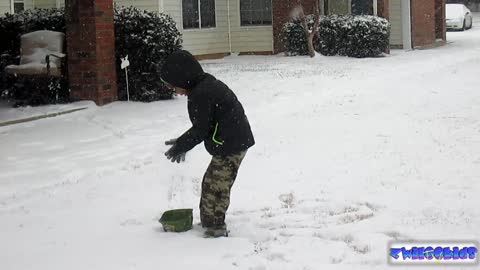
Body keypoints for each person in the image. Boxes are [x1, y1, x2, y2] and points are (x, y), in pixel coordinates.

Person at [161, 50, 255, 237]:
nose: (175, 92)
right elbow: (203, 125)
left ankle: (215, 229)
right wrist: (182, 142)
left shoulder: (201, 93)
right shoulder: (203, 86)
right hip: (230, 140)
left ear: (183, 79)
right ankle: (209, 221)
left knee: (216, 188)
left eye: (173, 87)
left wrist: (181, 145)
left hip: (232, 144)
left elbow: (200, 129)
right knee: (211, 184)